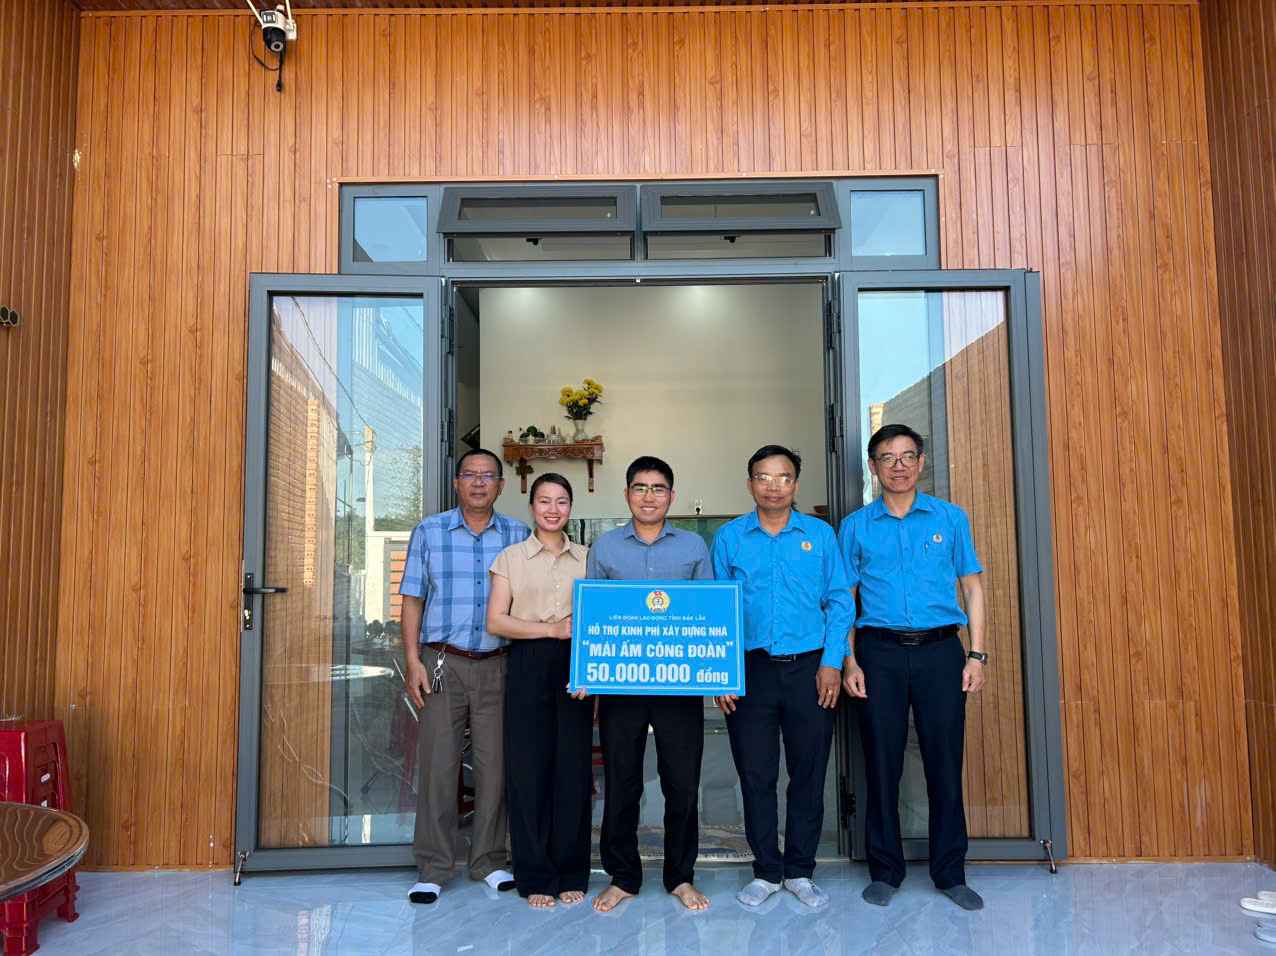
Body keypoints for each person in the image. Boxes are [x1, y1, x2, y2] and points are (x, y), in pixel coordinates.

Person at [837, 423, 987, 911]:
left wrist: (977, 654)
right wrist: (849, 659)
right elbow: (845, 599)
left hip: (941, 652)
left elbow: (973, 588)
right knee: (882, 762)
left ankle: (951, 871)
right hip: (877, 654)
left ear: (921, 462)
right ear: (873, 467)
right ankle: (886, 870)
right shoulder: (856, 526)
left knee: (945, 762)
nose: (897, 466)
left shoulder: (950, 518)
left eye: (906, 456)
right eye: (887, 457)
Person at [711, 444, 853, 910]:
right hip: (749, 671)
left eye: (784, 477)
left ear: (796, 483)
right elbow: (718, 611)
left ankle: (800, 870)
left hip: (812, 670)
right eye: (764, 477)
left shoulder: (820, 535)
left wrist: (832, 662)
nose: (774, 485)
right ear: (750, 482)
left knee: (808, 773)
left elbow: (840, 601)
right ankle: (766, 870)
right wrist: (722, 674)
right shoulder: (730, 538)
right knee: (756, 774)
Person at [399, 449, 529, 905]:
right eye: (470, 476)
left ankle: (489, 860)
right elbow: (412, 599)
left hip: (499, 664)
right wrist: (413, 660)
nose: (478, 483)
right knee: (438, 765)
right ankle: (433, 867)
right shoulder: (430, 532)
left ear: (501, 485)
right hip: (442, 662)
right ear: (456, 482)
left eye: (488, 476)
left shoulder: (518, 534)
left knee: (495, 767)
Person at [588, 456, 714, 913]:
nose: (648, 496)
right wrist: (588, 673)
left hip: (679, 686)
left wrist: (719, 676)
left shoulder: (695, 549)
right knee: (622, 783)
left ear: (671, 496)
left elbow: (708, 616)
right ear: (626, 495)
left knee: (682, 784)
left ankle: (680, 877)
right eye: (639, 488)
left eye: (658, 488)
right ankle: (623, 877)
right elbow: (593, 619)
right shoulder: (604, 548)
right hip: (623, 686)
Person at [486, 473, 592, 909]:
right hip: (527, 663)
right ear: (532, 507)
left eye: (561, 501)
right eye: (544, 501)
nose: (553, 509)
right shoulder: (510, 557)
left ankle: (570, 871)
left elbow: (601, 619)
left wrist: (592, 669)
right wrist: (549, 629)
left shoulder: (589, 558)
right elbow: (496, 621)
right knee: (528, 772)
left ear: (570, 507)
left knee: (573, 771)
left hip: (576, 667)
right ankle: (534, 875)